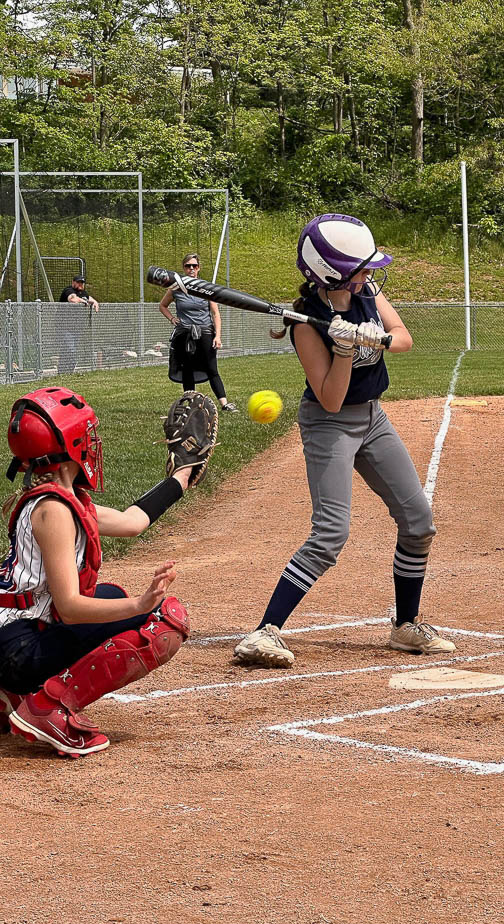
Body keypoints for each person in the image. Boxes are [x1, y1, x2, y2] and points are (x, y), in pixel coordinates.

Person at [233, 213, 456, 668]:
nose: (369, 275)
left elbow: (405, 338)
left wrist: (377, 337)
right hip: (329, 424)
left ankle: (405, 626)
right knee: (331, 533)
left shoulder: (368, 291)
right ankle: (265, 632)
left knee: (419, 520)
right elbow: (331, 400)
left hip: (373, 418)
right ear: (332, 272)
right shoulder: (306, 325)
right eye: (360, 269)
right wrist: (342, 349)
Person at [0, 386, 195, 757]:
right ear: (69, 443)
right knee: (164, 620)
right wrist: (140, 605)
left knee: (110, 595)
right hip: (16, 647)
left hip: (14, 636)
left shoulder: (58, 497)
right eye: (85, 433)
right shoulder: (53, 511)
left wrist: (181, 476)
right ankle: (47, 708)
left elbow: (131, 521)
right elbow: (70, 607)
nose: (92, 441)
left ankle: (11, 695)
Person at [158, 253, 237, 412]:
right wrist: (172, 319)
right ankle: (191, 404)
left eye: (194, 266)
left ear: (199, 268)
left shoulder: (206, 288)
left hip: (205, 332)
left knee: (211, 367)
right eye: (188, 266)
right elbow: (162, 306)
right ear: (184, 269)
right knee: (187, 369)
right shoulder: (176, 288)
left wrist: (218, 336)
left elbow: (215, 314)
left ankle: (224, 403)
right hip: (185, 334)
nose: (191, 269)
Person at [57, 274, 99, 373]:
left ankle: (64, 372)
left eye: (82, 283)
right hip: (65, 327)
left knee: (67, 350)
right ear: (73, 282)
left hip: (76, 328)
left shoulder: (83, 293)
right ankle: (66, 370)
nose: (80, 284)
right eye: (78, 282)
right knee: (70, 350)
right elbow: (73, 299)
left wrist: (95, 302)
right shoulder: (68, 291)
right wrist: (84, 301)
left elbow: (89, 298)